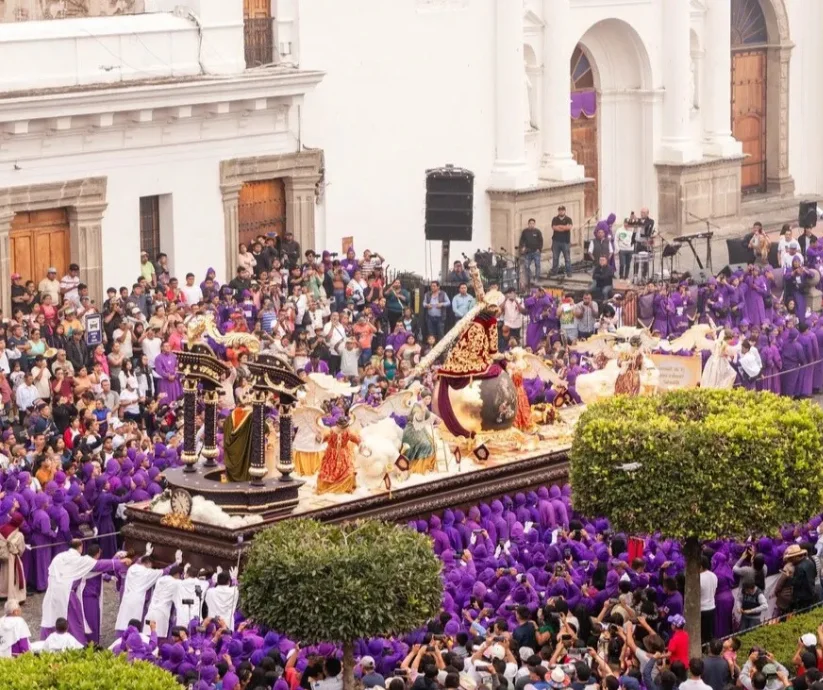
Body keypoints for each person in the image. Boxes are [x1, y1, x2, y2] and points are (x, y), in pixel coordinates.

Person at [40, 539, 98, 640]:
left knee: (51, 619)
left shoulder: (59, 557)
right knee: (74, 622)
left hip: (53, 593)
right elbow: (99, 565)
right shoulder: (79, 560)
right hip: (67, 596)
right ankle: (76, 645)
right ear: (81, 547)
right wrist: (116, 563)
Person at [316, 416, 361, 494]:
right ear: (337, 425)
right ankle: (330, 486)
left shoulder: (348, 432)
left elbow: (357, 440)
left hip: (344, 454)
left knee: (348, 471)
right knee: (329, 471)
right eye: (342, 427)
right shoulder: (330, 431)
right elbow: (321, 439)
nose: (344, 429)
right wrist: (319, 436)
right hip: (331, 455)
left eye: (345, 427)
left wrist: (361, 444)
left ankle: (345, 487)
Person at [0, 513, 27, 603]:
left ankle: (3, 593)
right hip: (12, 557)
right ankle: (16, 596)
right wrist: (18, 553)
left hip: (3, 556)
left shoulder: (2, 528)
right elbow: (21, 549)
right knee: (14, 577)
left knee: (4, 575)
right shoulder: (19, 535)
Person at [519, 218, 544, 286]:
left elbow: (541, 241)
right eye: (530, 223)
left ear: (534, 224)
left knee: (537, 265)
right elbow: (521, 241)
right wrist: (522, 248)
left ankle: (537, 278)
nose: (531, 225)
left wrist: (539, 249)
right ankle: (531, 278)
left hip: (536, 252)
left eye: (533, 223)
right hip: (528, 252)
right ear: (528, 224)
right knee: (526, 266)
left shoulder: (537, 231)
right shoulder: (525, 232)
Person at [550, 206, 574, 277]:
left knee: (567, 258)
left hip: (565, 242)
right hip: (556, 242)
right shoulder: (555, 219)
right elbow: (554, 228)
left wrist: (560, 227)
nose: (561, 212)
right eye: (560, 210)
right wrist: (564, 227)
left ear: (565, 211)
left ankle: (569, 272)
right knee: (555, 258)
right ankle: (554, 272)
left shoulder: (568, 219)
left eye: (562, 210)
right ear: (558, 211)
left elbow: (569, 227)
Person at [700, 555, 718, 645]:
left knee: (702, 634)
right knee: (709, 633)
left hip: (702, 609)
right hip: (711, 607)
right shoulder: (714, 575)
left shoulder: (699, 578)